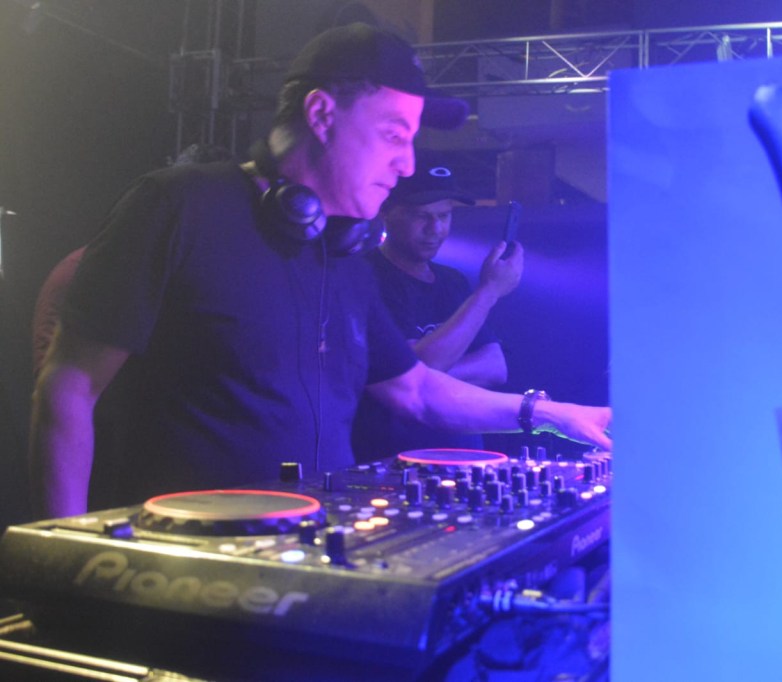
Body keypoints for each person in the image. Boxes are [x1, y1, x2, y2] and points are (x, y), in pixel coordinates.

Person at [29, 23, 611, 519]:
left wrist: (549, 415)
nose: (405, 163)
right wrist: (64, 559)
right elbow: (68, 389)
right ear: (321, 113)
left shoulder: (344, 256)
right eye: (393, 134)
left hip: (310, 552)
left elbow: (415, 389)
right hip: (185, 562)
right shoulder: (180, 206)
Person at [352, 158, 523, 460]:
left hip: (463, 457)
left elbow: (496, 367)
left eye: (444, 215)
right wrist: (488, 292)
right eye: (421, 216)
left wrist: (416, 379)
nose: (435, 229)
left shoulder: (452, 281)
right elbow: (425, 364)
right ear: (386, 211)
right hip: (394, 460)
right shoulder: (365, 277)